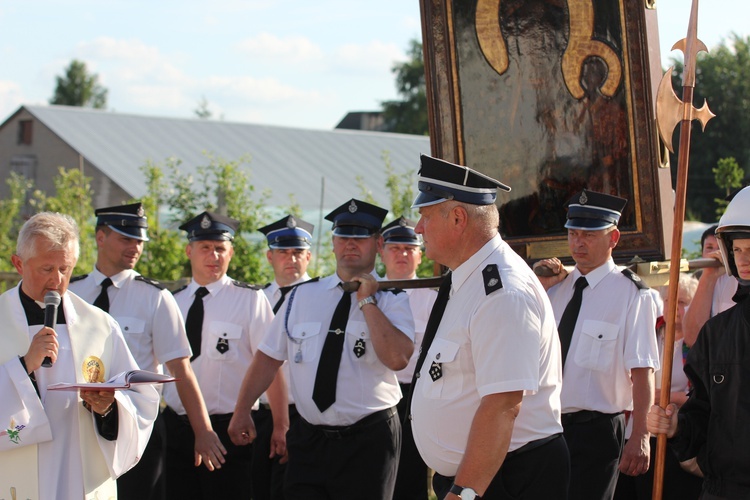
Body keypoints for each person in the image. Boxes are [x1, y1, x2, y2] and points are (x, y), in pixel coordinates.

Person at [228, 198, 415, 500]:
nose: (351, 244)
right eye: (344, 236)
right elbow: (267, 357)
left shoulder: (392, 298)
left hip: (368, 440)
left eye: (360, 236)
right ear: (332, 242)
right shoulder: (303, 295)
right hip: (309, 439)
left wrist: (367, 302)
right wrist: (242, 410)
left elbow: (397, 358)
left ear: (378, 244)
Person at [409, 155, 570, 500]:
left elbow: (503, 405)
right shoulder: (466, 279)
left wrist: (465, 493)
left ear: (457, 218)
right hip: (481, 477)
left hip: (504, 479)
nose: (418, 230)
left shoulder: (502, 292)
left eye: (424, 217)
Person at [68, 202, 226, 500]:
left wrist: (203, 431)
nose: (135, 247)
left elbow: (181, 369)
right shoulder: (72, 294)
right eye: (126, 239)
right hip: (76, 423)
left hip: (134, 429)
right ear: (100, 237)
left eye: (139, 241)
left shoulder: (155, 298)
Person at [0, 212, 159, 499]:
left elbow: (140, 399)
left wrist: (108, 408)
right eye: (47, 268)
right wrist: (24, 366)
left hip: (82, 474)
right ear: (19, 263)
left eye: (65, 268)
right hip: (14, 473)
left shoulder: (99, 325)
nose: (57, 280)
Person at [534, 189, 659, 500]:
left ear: (613, 238)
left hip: (596, 431)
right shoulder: (556, 288)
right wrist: (538, 284)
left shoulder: (632, 294)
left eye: (589, 234)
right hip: (546, 425)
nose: (578, 243)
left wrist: (640, 435)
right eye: (573, 233)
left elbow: (642, 371)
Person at [163, 210, 283, 499]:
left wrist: (281, 424)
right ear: (188, 251)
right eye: (205, 248)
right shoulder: (170, 302)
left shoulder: (250, 300)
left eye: (220, 249)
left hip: (229, 428)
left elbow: (272, 364)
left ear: (231, 253)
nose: (213, 256)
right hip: (177, 428)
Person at [647, 186, 750, 499]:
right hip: (724, 489)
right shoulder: (715, 333)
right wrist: (676, 425)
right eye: (738, 250)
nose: (744, 259)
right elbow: (702, 412)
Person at [614, 273, 702, 500]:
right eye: (670, 301)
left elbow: (701, 394)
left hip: (675, 434)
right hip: (638, 429)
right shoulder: (651, 333)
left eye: (682, 302)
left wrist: (667, 396)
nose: (675, 307)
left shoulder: (698, 343)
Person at [253, 214, 315, 500]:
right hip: (262, 414)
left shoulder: (321, 298)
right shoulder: (257, 299)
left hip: (304, 414)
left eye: (298, 252)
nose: (291, 259)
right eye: (283, 252)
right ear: (269, 256)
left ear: (309, 257)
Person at [379, 216, 437, 500]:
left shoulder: (434, 296)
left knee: (411, 476)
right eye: (395, 248)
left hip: (416, 396)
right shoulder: (366, 293)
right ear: (382, 251)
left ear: (419, 254)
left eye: (408, 248)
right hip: (375, 395)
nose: (402, 254)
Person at [682, 224, 737, 347]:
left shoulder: (741, 278)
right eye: (709, 248)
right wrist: (708, 278)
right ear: (702, 253)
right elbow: (692, 338)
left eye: (721, 247)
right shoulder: (699, 280)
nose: (716, 253)